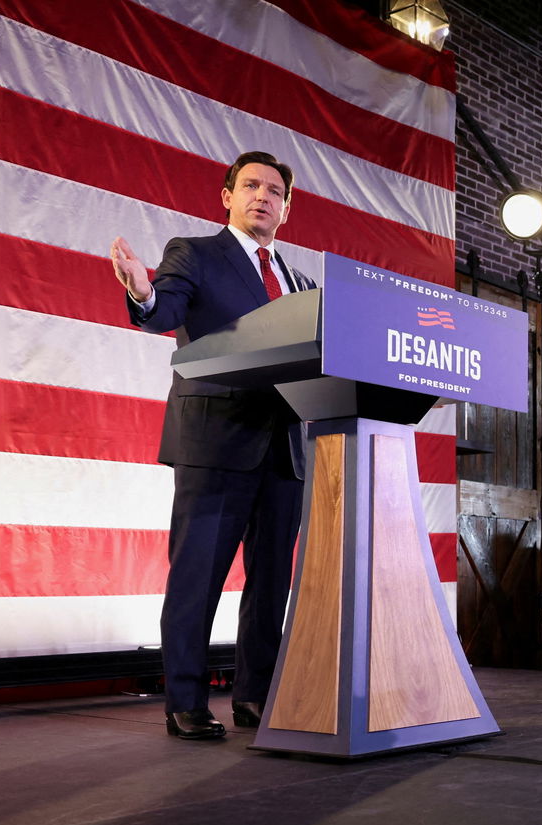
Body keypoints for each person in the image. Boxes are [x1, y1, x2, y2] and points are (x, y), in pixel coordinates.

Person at [111, 151, 315, 741]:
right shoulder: (195, 253)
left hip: (285, 448)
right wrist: (144, 292)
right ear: (227, 196)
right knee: (198, 577)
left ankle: (256, 695)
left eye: (274, 191)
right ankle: (185, 700)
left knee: (271, 583)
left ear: (286, 208)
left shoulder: (302, 283)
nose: (263, 196)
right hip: (216, 440)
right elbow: (164, 310)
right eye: (250, 185)